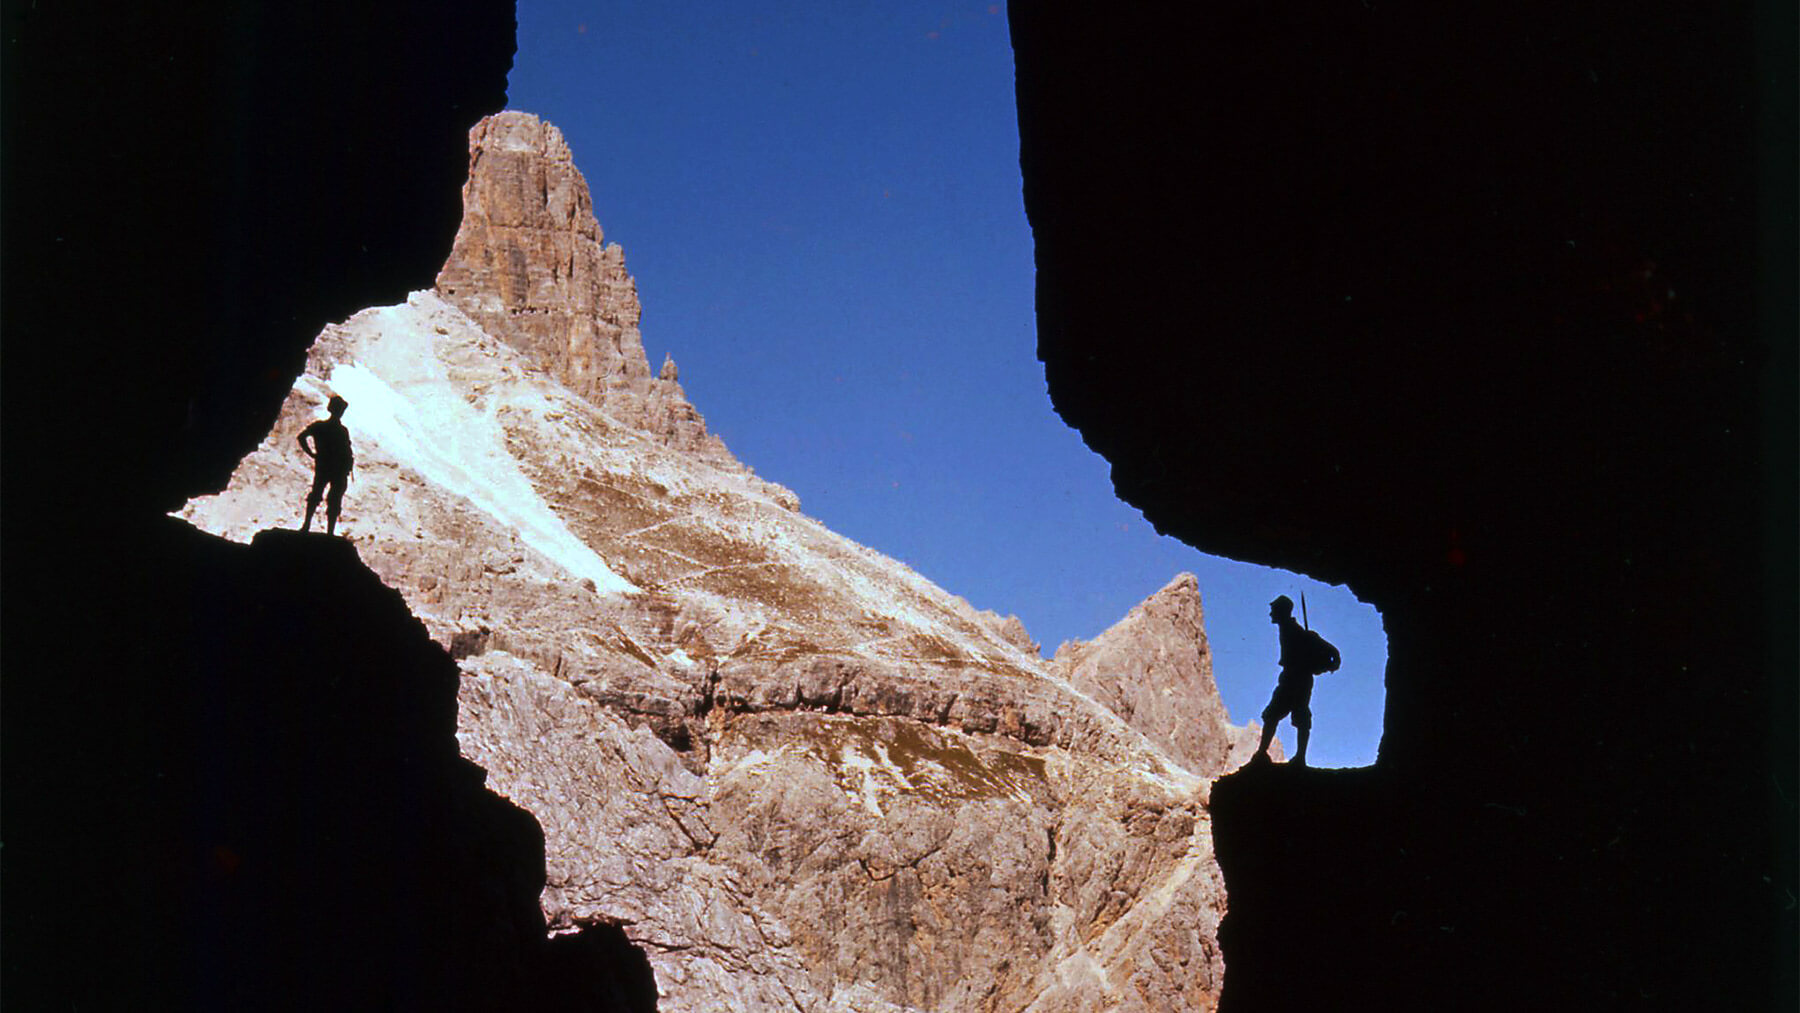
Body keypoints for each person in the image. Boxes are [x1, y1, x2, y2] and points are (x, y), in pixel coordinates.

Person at [1253, 594, 1339, 766]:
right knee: (1297, 715)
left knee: (1275, 714)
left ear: (1282, 611)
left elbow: (1333, 652)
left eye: (1273, 610)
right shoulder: (1293, 630)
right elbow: (1333, 653)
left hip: (1294, 678)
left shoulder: (1297, 632)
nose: (1271, 614)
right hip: (1298, 679)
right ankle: (1296, 757)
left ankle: (1265, 754)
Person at [298, 395, 354, 535]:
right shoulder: (342, 430)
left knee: (316, 495)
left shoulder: (320, 426)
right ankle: (329, 532)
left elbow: (302, 437)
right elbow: (346, 450)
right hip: (338, 469)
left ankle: (307, 526)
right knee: (334, 500)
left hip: (324, 466)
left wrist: (312, 454)